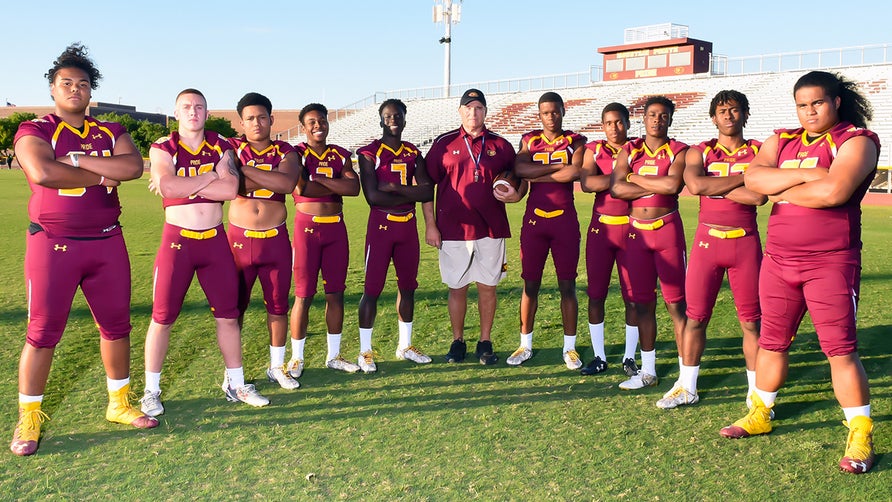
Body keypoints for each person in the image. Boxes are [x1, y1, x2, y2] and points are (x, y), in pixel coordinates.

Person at [720, 71, 879, 475]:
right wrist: (808, 176)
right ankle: (760, 411)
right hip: (778, 261)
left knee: (840, 350)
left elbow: (834, 193)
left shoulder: (856, 140)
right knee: (771, 343)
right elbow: (753, 179)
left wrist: (779, 188)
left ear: (836, 102)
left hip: (831, 262)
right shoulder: (781, 139)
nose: (809, 112)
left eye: (818, 103)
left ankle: (860, 433)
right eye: (802, 105)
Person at [10, 44, 157, 456]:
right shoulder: (34, 129)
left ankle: (119, 403)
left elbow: (132, 167)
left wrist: (76, 160)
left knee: (117, 326)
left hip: (108, 241)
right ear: (53, 89)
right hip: (53, 244)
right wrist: (98, 168)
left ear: (92, 91)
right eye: (66, 83)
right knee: (41, 333)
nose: (75, 89)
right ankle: (29, 417)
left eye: (83, 84)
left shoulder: (111, 129)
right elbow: (43, 172)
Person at [141, 88, 269, 417]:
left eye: (199, 107)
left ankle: (236, 383)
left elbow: (228, 189)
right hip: (177, 242)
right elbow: (168, 188)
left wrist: (187, 181)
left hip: (215, 241)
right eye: (186, 107)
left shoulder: (221, 144)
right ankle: (151, 390)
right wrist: (211, 174)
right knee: (162, 318)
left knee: (228, 317)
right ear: (176, 112)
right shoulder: (162, 146)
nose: (193, 112)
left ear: (207, 112)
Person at [657, 90, 766, 409]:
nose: (728, 116)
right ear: (713, 117)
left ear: (745, 113)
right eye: (722, 111)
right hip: (708, 244)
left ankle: (755, 390)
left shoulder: (759, 150)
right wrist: (742, 180)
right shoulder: (699, 151)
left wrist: (718, 186)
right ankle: (687, 386)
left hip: (745, 242)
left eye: (734, 110)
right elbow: (696, 186)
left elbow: (759, 197)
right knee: (695, 317)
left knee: (751, 321)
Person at [422, 88, 523, 365]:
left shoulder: (501, 145)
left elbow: (519, 178)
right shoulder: (444, 143)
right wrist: (431, 225)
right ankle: (458, 341)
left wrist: (517, 194)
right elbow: (426, 185)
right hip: (452, 229)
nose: (473, 113)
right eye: (468, 108)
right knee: (457, 287)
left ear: (486, 112)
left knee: (488, 286)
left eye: (478, 108)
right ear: (460, 111)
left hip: (491, 229)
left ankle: (485, 340)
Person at [610, 96, 688, 390]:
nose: (657, 120)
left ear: (670, 119)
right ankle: (648, 371)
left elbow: (672, 186)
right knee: (642, 303)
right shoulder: (631, 149)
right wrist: (645, 181)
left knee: (676, 305)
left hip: (667, 230)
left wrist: (634, 178)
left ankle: (685, 374)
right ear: (644, 118)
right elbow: (617, 188)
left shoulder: (679, 150)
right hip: (636, 234)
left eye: (663, 115)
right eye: (653, 115)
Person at [226, 93, 300, 389]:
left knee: (278, 306)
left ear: (271, 119)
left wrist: (244, 170)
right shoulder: (231, 146)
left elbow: (286, 184)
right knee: (234, 309)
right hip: (239, 239)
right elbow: (232, 185)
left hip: (275, 239)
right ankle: (232, 372)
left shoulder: (286, 150)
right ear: (241, 123)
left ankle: (276, 366)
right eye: (250, 118)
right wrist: (264, 176)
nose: (256, 123)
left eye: (262, 117)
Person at [507, 92, 585, 370]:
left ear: (563, 111)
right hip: (535, 220)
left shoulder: (576, 140)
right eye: (545, 113)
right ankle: (525, 344)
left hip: (564, 220)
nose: (550, 117)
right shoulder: (529, 140)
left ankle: (570, 347)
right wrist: (554, 166)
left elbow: (574, 172)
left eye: (555, 111)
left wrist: (536, 172)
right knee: (530, 284)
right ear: (538, 115)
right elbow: (519, 167)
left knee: (567, 285)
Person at [356, 99, 435, 372]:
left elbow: (427, 191)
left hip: (408, 226)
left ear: (404, 119)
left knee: (408, 286)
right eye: (388, 116)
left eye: (398, 115)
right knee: (372, 289)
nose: (393, 119)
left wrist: (393, 187)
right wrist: (403, 192)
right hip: (381, 226)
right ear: (381, 120)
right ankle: (365, 350)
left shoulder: (413, 152)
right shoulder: (369, 152)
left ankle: (405, 345)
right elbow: (372, 196)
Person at [289, 103, 361, 375]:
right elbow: (302, 187)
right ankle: (297, 357)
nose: (317, 125)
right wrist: (332, 182)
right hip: (306, 229)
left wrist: (319, 178)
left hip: (336, 229)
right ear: (303, 126)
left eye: (321, 120)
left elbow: (353, 188)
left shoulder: (340, 154)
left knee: (336, 294)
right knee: (304, 295)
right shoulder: (296, 153)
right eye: (311, 122)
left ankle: (334, 355)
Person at [578, 102, 639, 377]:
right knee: (596, 294)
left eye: (619, 122)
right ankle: (599, 355)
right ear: (602, 126)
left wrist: (609, 180)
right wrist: (623, 179)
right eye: (609, 123)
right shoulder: (594, 149)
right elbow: (587, 183)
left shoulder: (638, 148)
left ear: (627, 123)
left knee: (633, 297)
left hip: (632, 229)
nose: (614, 128)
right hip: (600, 230)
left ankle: (629, 356)